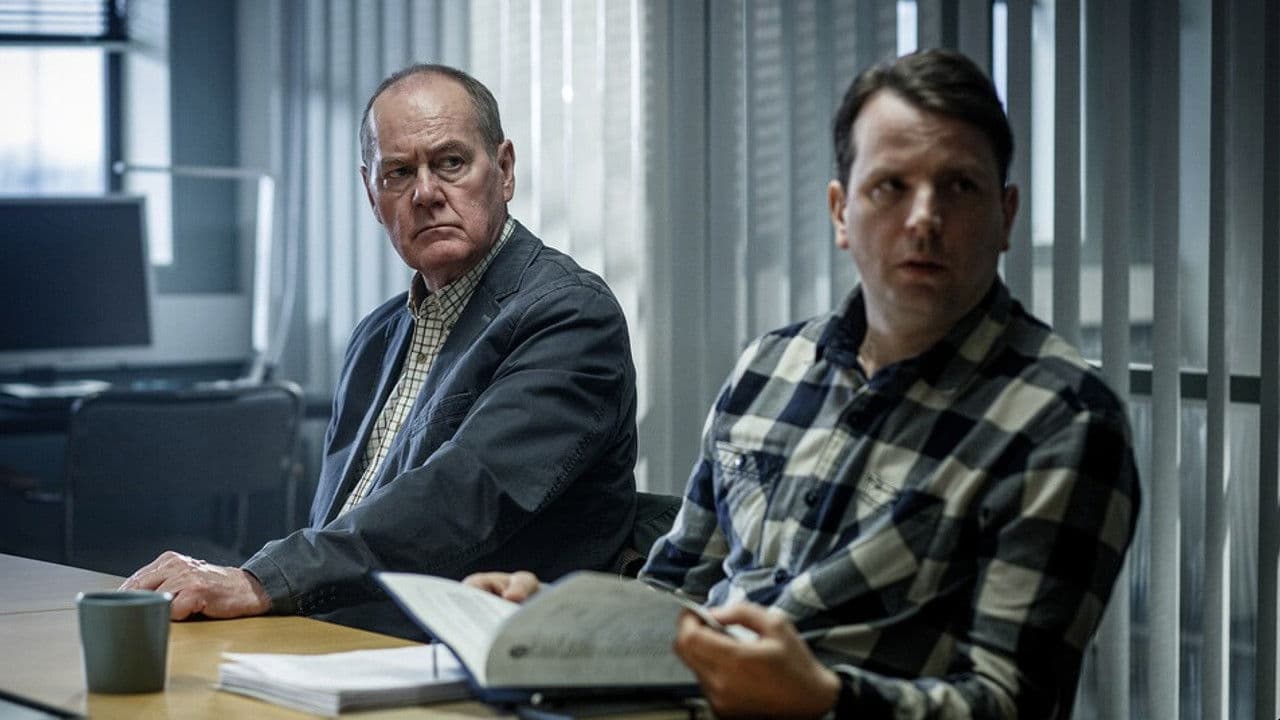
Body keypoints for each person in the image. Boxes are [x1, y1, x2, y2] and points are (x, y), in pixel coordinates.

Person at [466, 49, 1140, 718]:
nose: (924, 218)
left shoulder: (1063, 420)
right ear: (841, 212)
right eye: (891, 187)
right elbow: (677, 595)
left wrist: (823, 701)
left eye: (959, 187)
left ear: (1007, 215)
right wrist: (560, 624)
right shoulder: (770, 368)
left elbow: (1011, 702)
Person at [121, 64, 639, 640]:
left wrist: (264, 580)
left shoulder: (570, 314)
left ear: (505, 170)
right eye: (398, 173)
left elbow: (462, 498)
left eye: (451, 162)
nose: (426, 193)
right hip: (333, 640)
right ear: (372, 194)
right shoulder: (376, 336)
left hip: (463, 654)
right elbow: (336, 523)